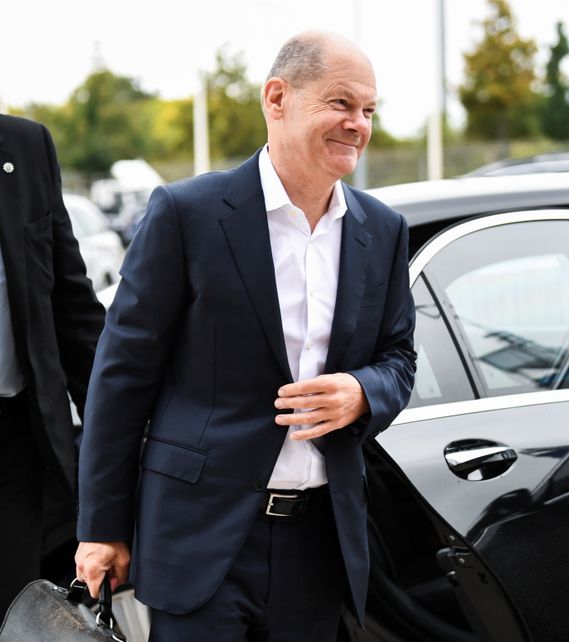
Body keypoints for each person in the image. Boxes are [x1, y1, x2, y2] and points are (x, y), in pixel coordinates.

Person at [75, 31, 416, 641]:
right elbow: (122, 375)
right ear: (277, 98)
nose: (358, 125)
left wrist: (362, 392)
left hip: (319, 544)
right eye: (341, 103)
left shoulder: (383, 230)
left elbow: (399, 358)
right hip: (200, 539)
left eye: (368, 110)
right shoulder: (187, 214)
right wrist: (102, 527)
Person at [0, 114, 105, 614]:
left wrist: (127, 424)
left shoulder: (26, 146)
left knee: (14, 615)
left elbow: (72, 308)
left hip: (13, 447)